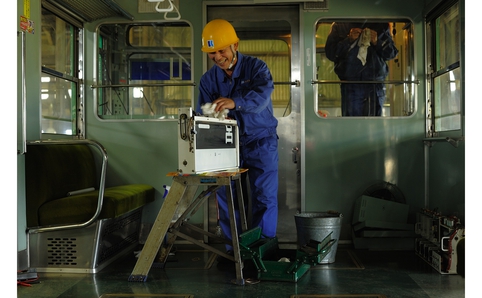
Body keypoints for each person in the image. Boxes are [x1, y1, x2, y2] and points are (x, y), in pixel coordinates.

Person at [196, 19, 279, 256]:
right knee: (227, 197)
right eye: (212, 52)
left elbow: (261, 98)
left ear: (235, 45)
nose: (217, 56)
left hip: (261, 142)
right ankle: (234, 253)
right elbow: (201, 114)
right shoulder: (208, 80)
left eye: (221, 50)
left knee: (264, 197)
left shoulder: (257, 68)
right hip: (225, 146)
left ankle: (262, 251)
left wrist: (235, 102)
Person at [325, 22, 398, 116]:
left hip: (375, 84)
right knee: (352, 125)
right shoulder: (339, 25)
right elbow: (331, 53)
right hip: (351, 84)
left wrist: (377, 42)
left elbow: (391, 53)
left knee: (375, 125)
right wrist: (348, 40)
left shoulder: (382, 24)